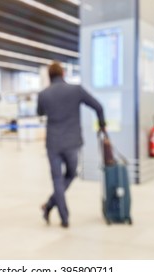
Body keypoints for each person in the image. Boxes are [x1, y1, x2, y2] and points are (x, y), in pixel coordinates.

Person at [37, 61, 106, 228]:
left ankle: (55, 209)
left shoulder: (44, 94)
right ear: (63, 74)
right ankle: (59, 214)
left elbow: (40, 112)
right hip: (72, 142)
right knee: (71, 174)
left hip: (53, 143)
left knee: (57, 179)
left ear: (49, 76)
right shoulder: (76, 90)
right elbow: (98, 106)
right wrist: (102, 125)